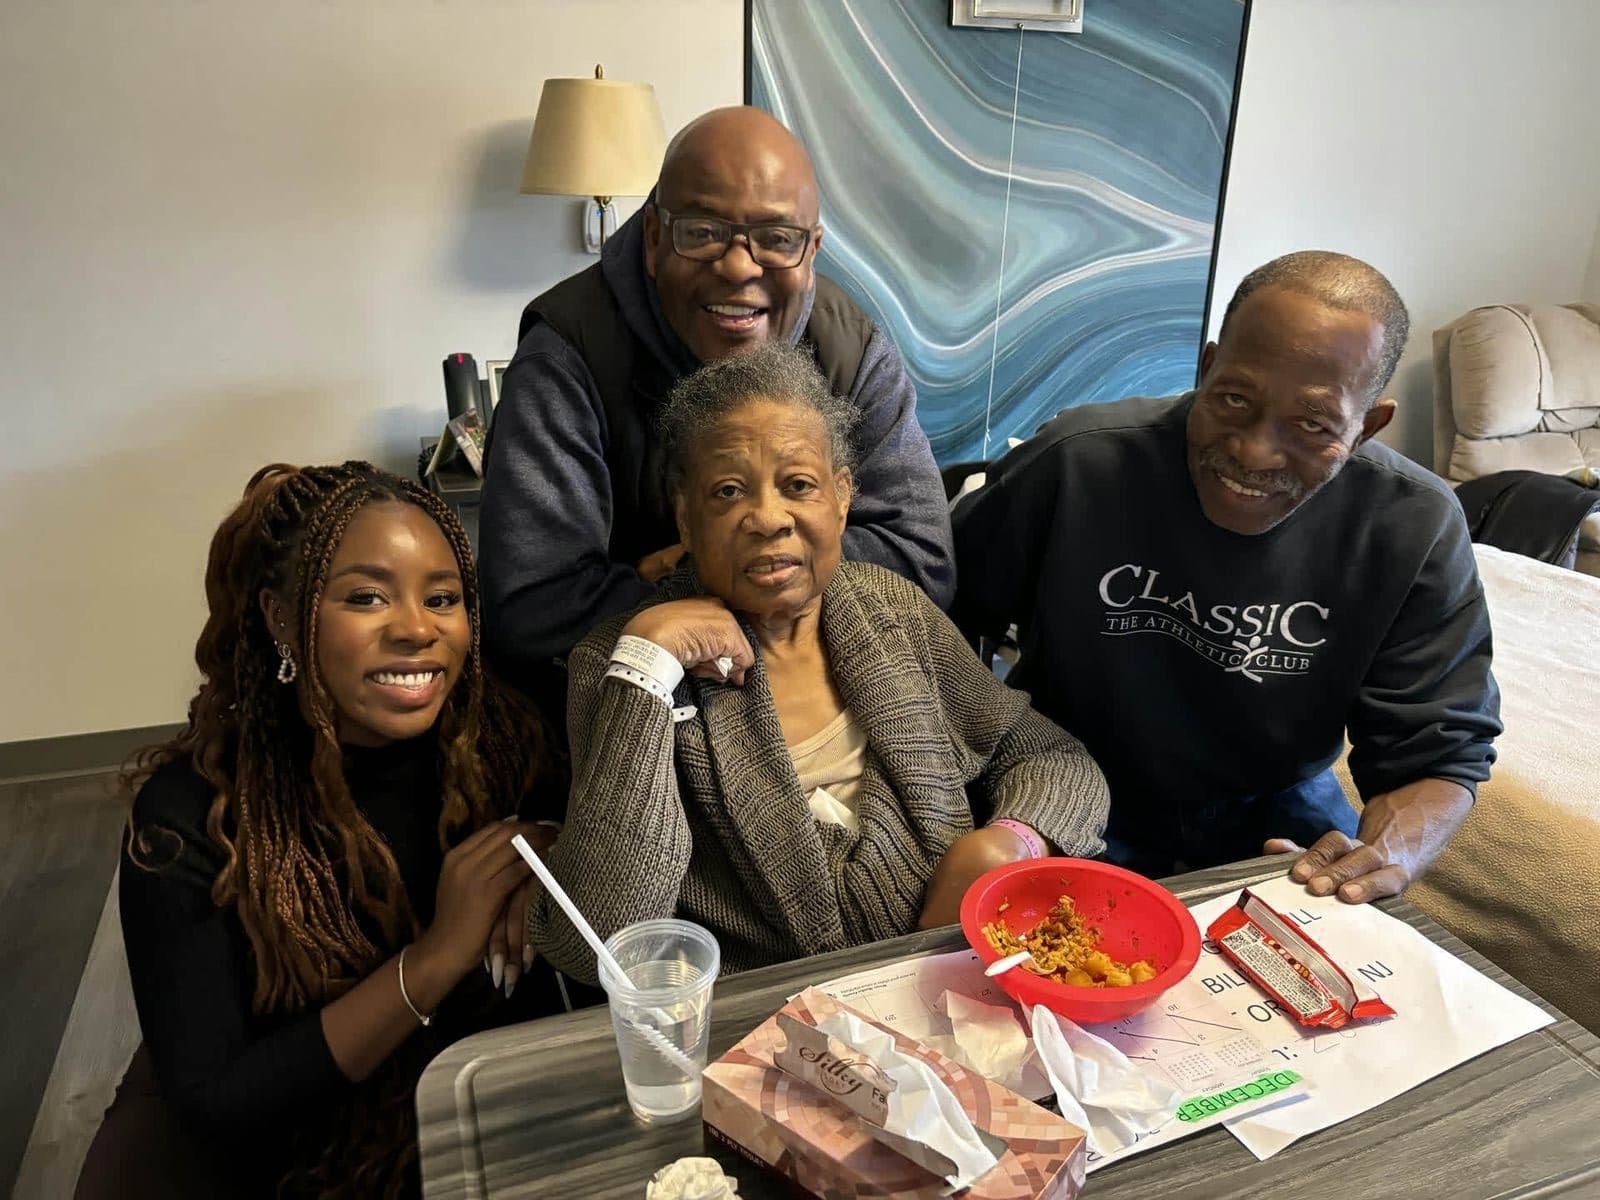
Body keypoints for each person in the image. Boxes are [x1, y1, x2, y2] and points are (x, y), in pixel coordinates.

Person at [528, 345, 1108, 982]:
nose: (770, 518)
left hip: (955, 981)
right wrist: (648, 664)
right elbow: (601, 944)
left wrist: (1005, 843)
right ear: (686, 519)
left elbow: (1050, 757)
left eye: (799, 485)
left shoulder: (890, 611)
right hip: (763, 1030)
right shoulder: (617, 667)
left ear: (842, 497)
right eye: (728, 492)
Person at [78, 463, 566, 1200]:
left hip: (501, 1122)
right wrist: (432, 960)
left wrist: (553, 845)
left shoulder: (502, 739)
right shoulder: (191, 820)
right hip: (317, 1168)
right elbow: (218, 1103)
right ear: (282, 617)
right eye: (367, 597)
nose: (416, 629)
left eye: (443, 598)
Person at [951, 251, 1501, 903]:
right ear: (1207, 368)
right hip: (1068, 778)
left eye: (1313, 425)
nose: (1253, 450)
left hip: (1274, 802)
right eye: (1235, 398)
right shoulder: (1079, 465)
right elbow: (937, 621)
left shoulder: (1415, 526)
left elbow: (1439, 751)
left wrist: (1388, 855)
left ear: (1367, 428)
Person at [479, 106, 955, 717]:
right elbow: (532, 610)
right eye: (702, 232)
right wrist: (775, 581)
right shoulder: (567, 356)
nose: (738, 267)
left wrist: (706, 569)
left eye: (777, 239)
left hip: (827, 711)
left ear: (812, 251)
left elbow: (924, 562)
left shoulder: (852, 350)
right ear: (653, 237)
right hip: (627, 721)